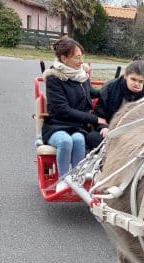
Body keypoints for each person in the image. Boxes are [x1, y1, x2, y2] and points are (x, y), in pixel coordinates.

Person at [42, 36, 108, 191]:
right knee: (65, 141)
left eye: (81, 56)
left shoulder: (81, 76)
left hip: (76, 126)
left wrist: (113, 88)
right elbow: (62, 110)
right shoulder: (54, 78)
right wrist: (96, 118)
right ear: (64, 59)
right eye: (77, 57)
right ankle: (63, 180)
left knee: (78, 140)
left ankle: (77, 178)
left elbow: (92, 93)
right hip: (56, 125)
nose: (81, 61)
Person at [95, 56, 144, 126]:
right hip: (108, 126)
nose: (137, 84)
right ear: (125, 76)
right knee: (94, 137)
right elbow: (100, 112)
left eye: (141, 81)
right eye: (133, 79)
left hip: (133, 130)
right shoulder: (110, 87)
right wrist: (103, 127)